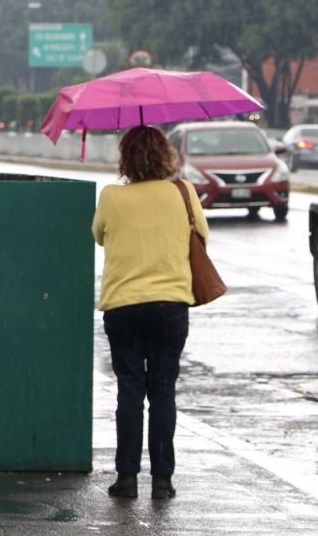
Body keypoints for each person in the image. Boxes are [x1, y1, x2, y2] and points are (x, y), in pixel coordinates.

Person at [91, 125, 209, 500]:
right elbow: (203, 236)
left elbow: (99, 234)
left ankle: (126, 479)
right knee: (162, 393)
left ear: (125, 159)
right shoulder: (184, 191)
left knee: (129, 392)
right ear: (166, 156)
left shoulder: (111, 196)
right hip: (170, 306)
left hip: (123, 306)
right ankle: (162, 481)